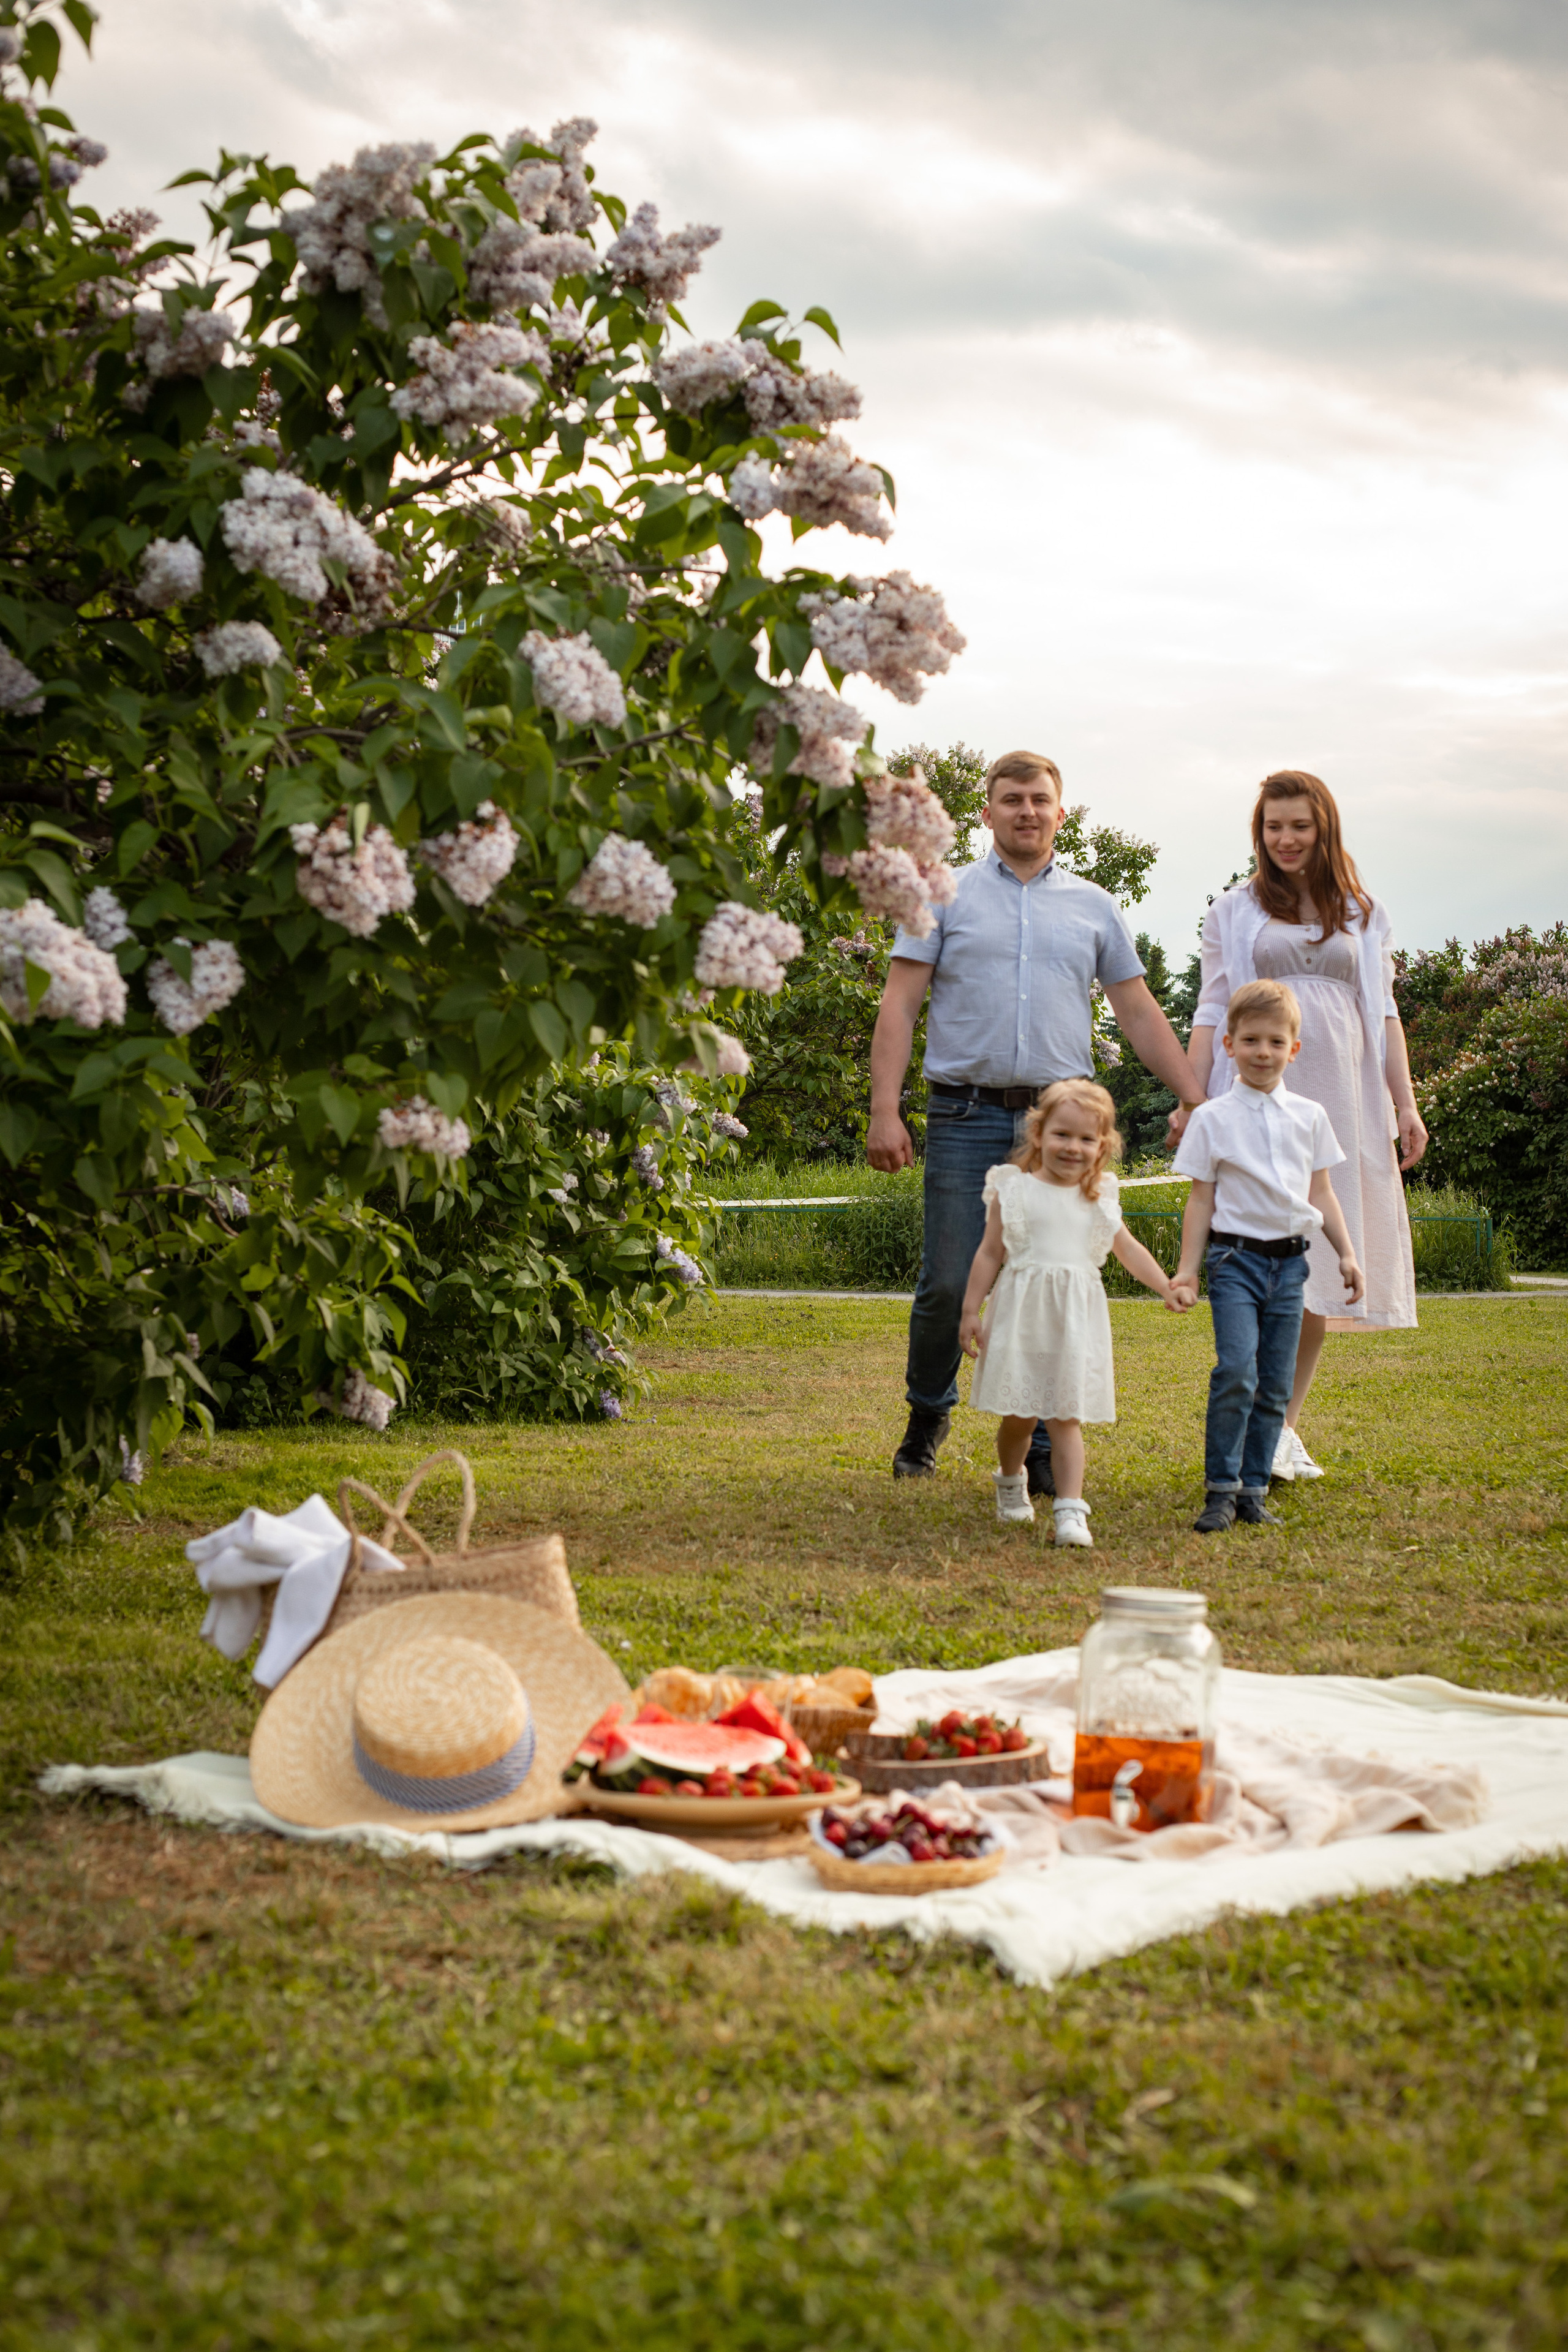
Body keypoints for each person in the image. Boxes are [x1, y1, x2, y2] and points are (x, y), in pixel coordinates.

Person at [868, 748, 1203, 1487]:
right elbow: (899, 1004)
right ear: (985, 813)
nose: (1026, 811)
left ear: (1059, 813)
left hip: (1061, 1130)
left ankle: (1047, 1447)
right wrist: (884, 1110)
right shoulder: (941, 894)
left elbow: (1137, 1009)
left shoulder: (1094, 905)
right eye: (1011, 799)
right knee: (950, 1281)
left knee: (1056, 1272)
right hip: (963, 1114)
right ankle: (928, 1413)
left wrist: (1193, 1097)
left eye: (1039, 800)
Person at [1186, 769, 1427, 1483]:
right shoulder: (1232, 909)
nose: (1285, 839)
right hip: (1251, 1096)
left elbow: (1382, 1013)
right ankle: (1258, 1420)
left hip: (1341, 1099)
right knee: (1251, 1250)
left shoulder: (1362, 910)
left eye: (1299, 825)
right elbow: (1210, 1011)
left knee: (1315, 1259)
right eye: (1272, 826)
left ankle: (1284, 1429)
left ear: (1323, 828)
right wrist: (1192, 1098)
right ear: (1258, 834)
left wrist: (1403, 1103)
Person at [1172, 980, 1365, 1532]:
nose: (1263, 1052)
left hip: (1291, 1266)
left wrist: (1347, 1254)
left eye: (1275, 1042)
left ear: (1293, 1050)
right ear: (1228, 1044)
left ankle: (1253, 1492)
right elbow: (1200, 1199)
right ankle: (1220, 1492)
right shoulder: (1211, 1119)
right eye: (1251, 1040)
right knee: (1237, 1371)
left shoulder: (1309, 1116)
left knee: (1276, 1383)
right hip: (1235, 1265)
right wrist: (1188, 1270)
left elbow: (1321, 1193)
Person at [959, 1079, 1185, 1547]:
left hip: (1075, 1321)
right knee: (1019, 1417)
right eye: (1062, 1134)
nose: (1073, 1147)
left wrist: (1165, 1284)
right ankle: (1010, 1479)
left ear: (1102, 1145)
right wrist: (970, 1309)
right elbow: (988, 1253)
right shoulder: (1013, 1188)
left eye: (1087, 1139)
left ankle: (1070, 1511)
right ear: (1039, 1134)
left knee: (1066, 1415)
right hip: (1022, 1314)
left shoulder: (1099, 1194)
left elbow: (1127, 1249)